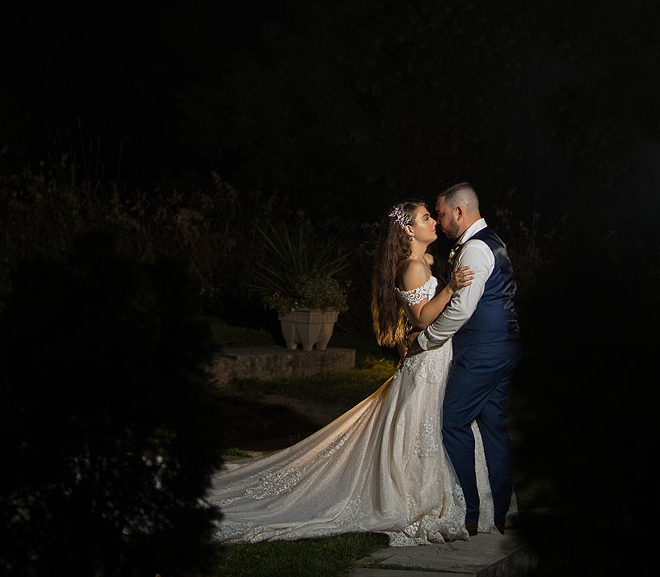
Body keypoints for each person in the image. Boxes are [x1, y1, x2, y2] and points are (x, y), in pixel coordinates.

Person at [208, 199, 504, 547]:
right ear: (409, 229)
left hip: (435, 360)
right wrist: (452, 288)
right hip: (425, 366)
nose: (433, 223)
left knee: (439, 426)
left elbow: (410, 320)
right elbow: (423, 318)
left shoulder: (423, 262)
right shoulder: (410, 267)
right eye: (426, 218)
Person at [409, 182, 521, 536]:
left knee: (453, 421)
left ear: (459, 212)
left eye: (441, 214)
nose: (439, 222)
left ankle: (470, 512)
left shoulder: (474, 249)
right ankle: (500, 512)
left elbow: (461, 310)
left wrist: (426, 339)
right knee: (493, 427)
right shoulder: (494, 242)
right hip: (504, 345)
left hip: (484, 350)